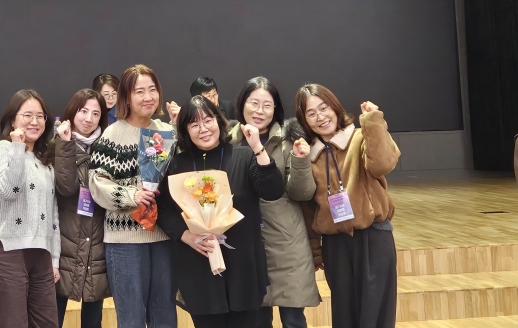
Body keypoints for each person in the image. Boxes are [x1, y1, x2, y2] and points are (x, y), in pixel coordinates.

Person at [156, 96, 284, 328]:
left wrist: (258, 147)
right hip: (199, 268)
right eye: (194, 124)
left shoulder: (244, 156)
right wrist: (187, 236)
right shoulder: (176, 164)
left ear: (218, 120)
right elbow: (163, 210)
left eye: (208, 120)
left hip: (243, 266)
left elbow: (273, 191)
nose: (203, 129)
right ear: (185, 130)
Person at [295, 83, 401, 328]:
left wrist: (373, 122)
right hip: (336, 245)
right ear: (304, 120)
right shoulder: (307, 153)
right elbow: (309, 208)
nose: (321, 117)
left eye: (324, 108)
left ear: (335, 107)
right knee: (344, 316)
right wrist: (316, 251)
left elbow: (383, 165)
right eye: (311, 113)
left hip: (373, 237)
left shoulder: (361, 137)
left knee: (376, 316)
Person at [89, 64, 180, 328]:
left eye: (152, 90)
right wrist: (132, 196)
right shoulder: (113, 134)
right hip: (124, 240)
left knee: (165, 316)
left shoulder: (167, 132)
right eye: (139, 91)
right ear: (126, 97)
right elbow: (97, 183)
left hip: (163, 236)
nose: (148, 97)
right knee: (131, 318)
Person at [229, 78, 319, 328]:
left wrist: (300, 161)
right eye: (254, 103)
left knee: (293, 320)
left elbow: (303, 193)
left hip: (286, 243)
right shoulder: (228, 141)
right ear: (242, 104)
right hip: (246, 243)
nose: (260, 111)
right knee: (256, 320)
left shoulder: (290, 141)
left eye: (267, 105)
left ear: (276, 108)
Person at [0, 90, 61, 328]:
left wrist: (54, 257)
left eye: (40, 116)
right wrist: (17, 148)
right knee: (11, 323)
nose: (34, 121)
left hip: (41, 252)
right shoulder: (2, 150)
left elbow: (52, 211)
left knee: (47, 323)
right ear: (13, 120)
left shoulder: (44, 159)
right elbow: (9, 191)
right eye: (27, 115)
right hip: (6, 250)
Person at [53, 89, 110, 328]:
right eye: (83, 111)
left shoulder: (107, 147)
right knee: (54, 314)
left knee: (93, 316)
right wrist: (65, 144)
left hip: (97, 242)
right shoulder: (57, 144)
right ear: (72, 112)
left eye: (96, 114)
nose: (89, 118)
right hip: (65, 241)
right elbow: (66, 188)